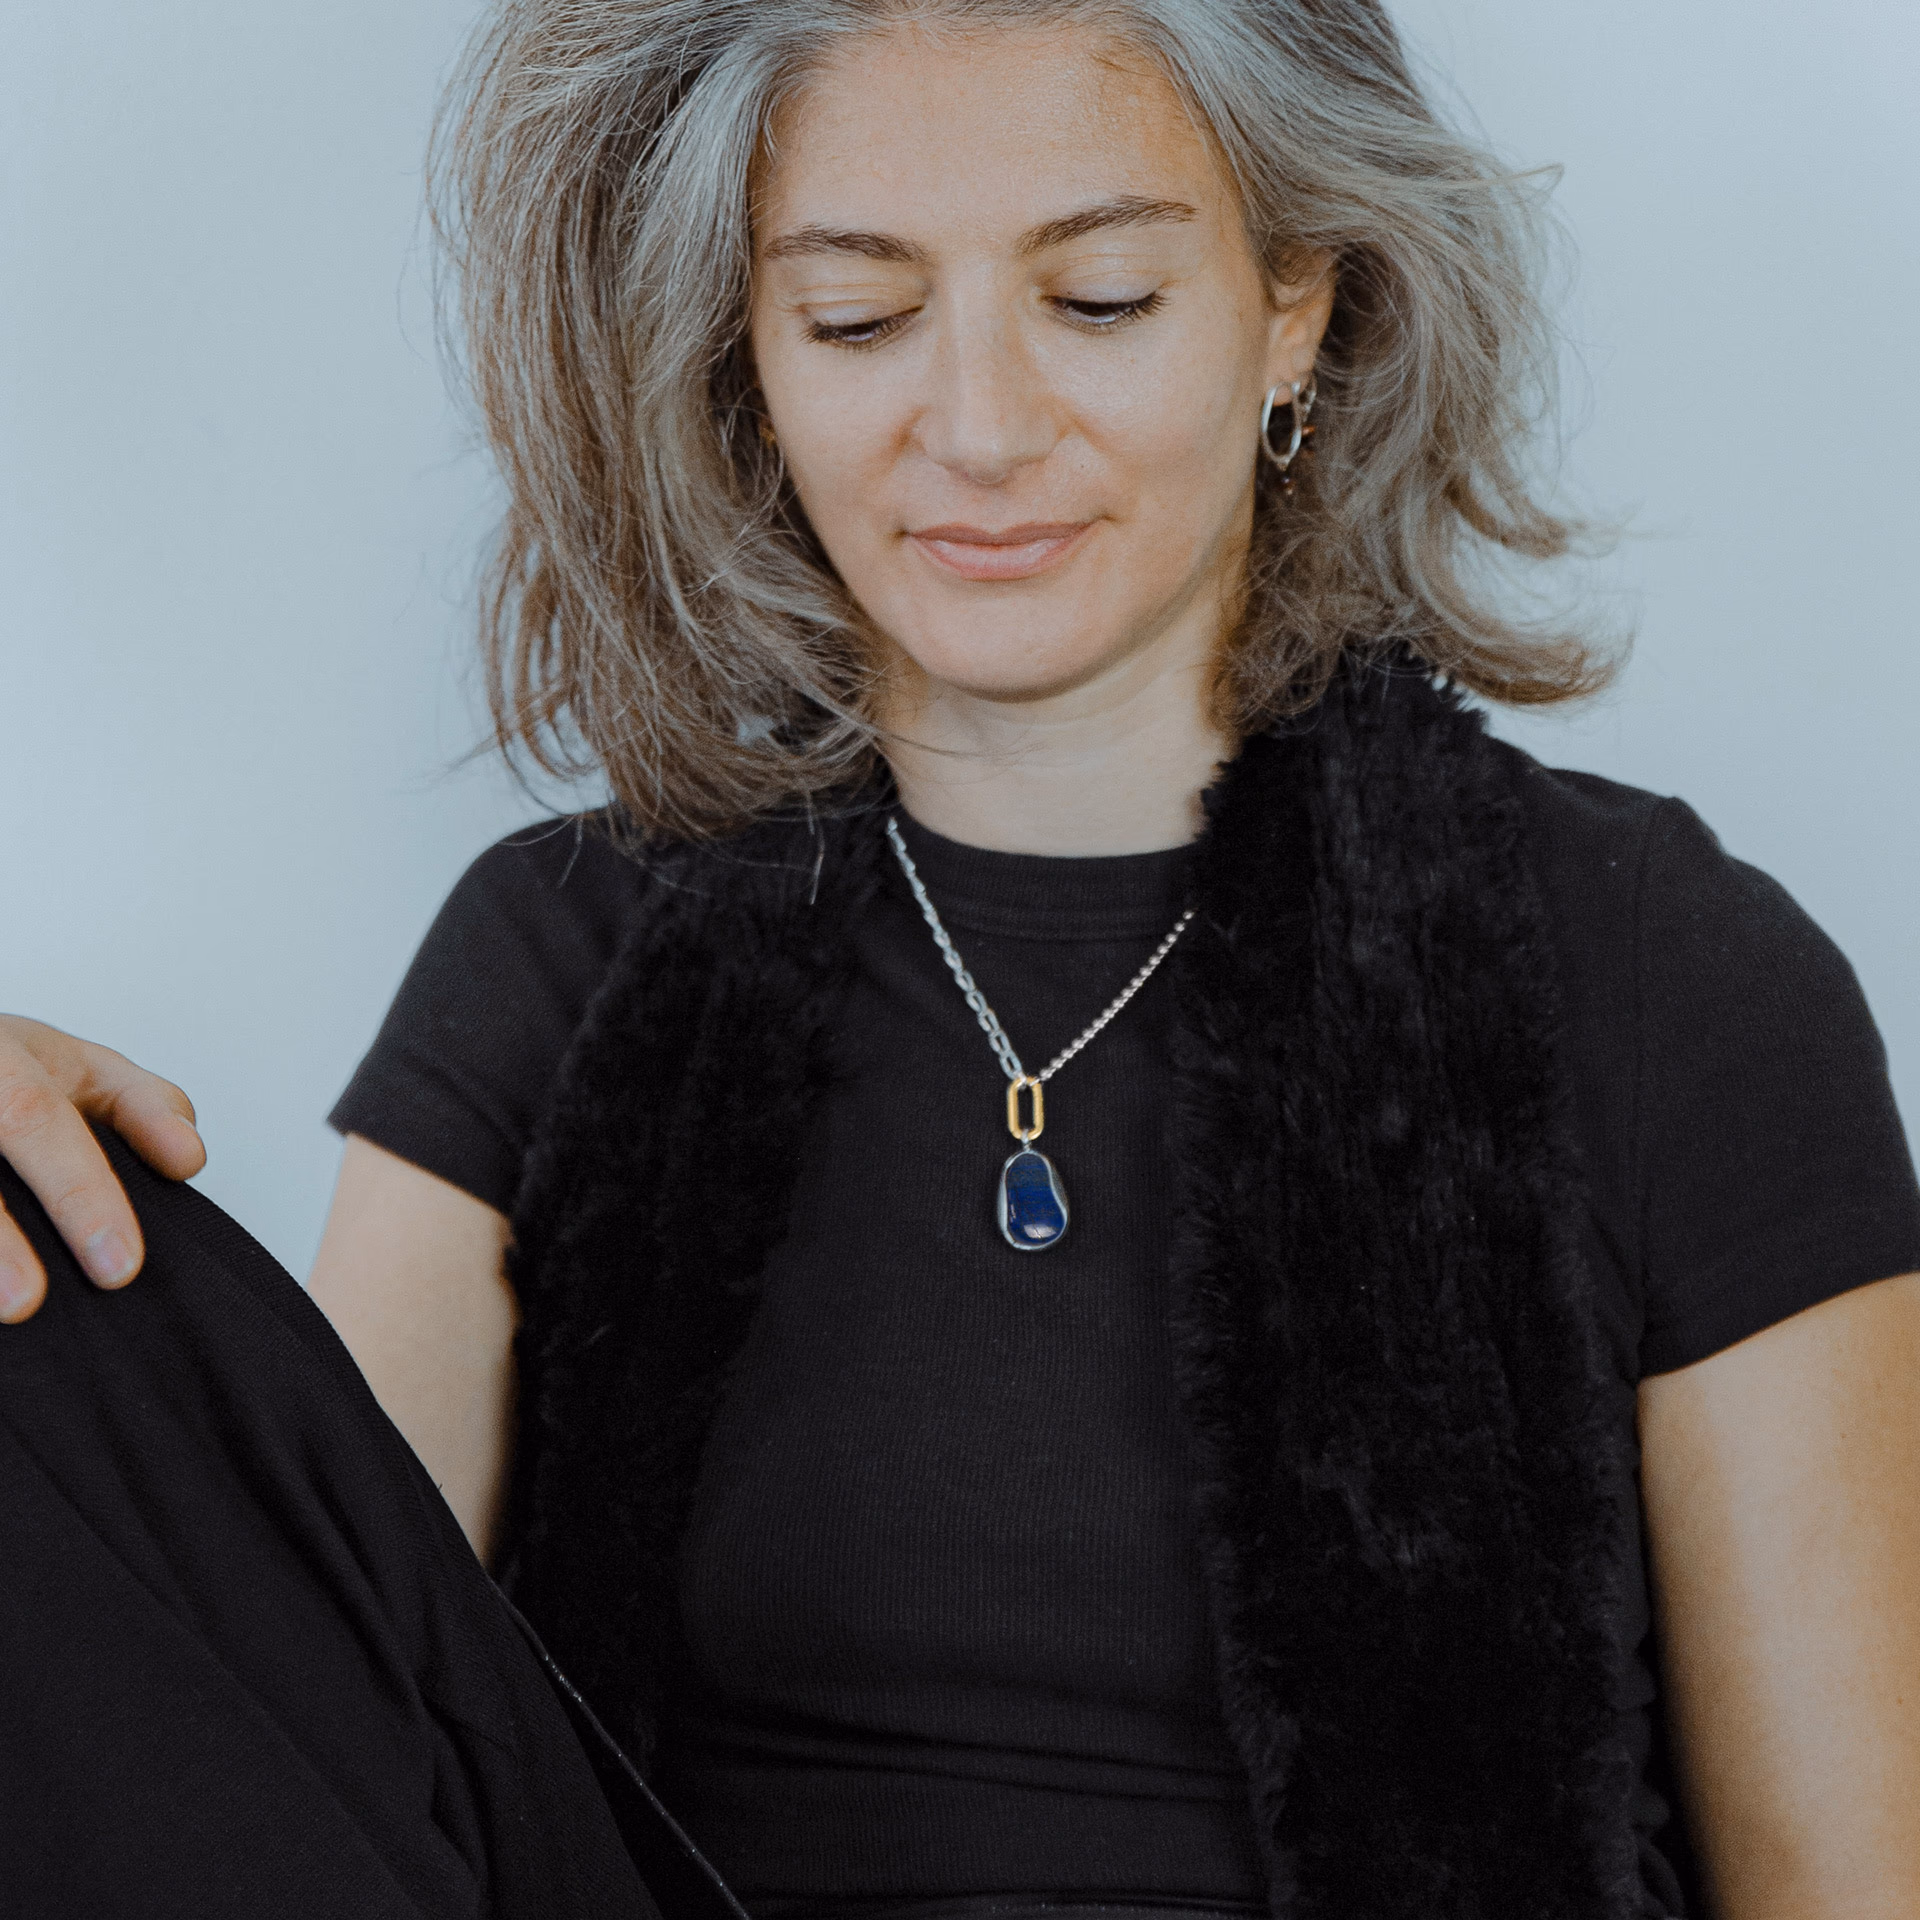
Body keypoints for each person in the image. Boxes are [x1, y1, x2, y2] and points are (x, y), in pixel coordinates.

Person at [3, 2, 1919, 1916]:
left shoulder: (1674, 979)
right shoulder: (560, 954)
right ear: (749, 356)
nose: (983, 429)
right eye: (857, 319)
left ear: (1296, 307)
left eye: (1098, 301)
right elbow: (298, 1733)